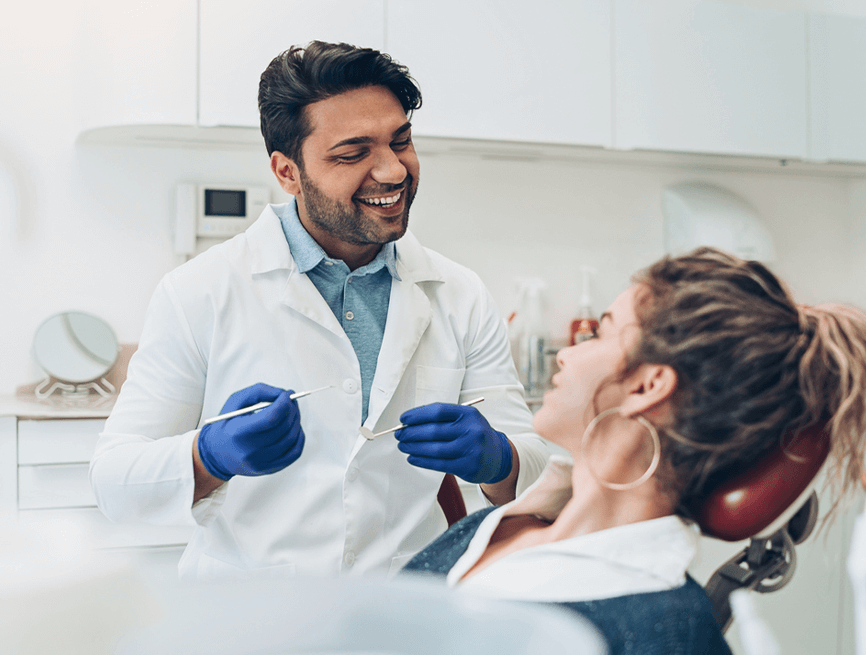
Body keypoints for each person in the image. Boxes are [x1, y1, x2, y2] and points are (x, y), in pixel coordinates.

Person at [403, 247, 866, 655]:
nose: (566, 353)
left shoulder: (663, 644)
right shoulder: (494, 528)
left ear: (648, 384)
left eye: (600, 331)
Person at [89, 41, 551, 579]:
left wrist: (499, 458)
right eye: (353, 154)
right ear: (287, 172)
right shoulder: (200, 291)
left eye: (400, 142)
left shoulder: (460, 293)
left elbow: (535, 477)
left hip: (405, 610)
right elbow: (114, 483)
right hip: (250, 617)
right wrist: (207, 457)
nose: (392, 171)